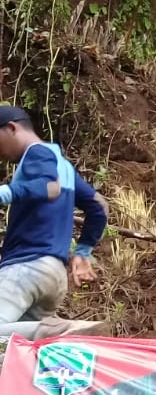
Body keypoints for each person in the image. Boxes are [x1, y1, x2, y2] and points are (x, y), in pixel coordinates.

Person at [0, 105, 110, 339]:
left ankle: (60, 331)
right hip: (54, 275)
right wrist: (83, 251)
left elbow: (50, 187)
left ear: (11, 128)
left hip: (26, 267)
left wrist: (6, 193)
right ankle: (54, 337)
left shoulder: (36, 153)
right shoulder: (64, 165)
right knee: (16, 351)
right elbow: (99, 206)